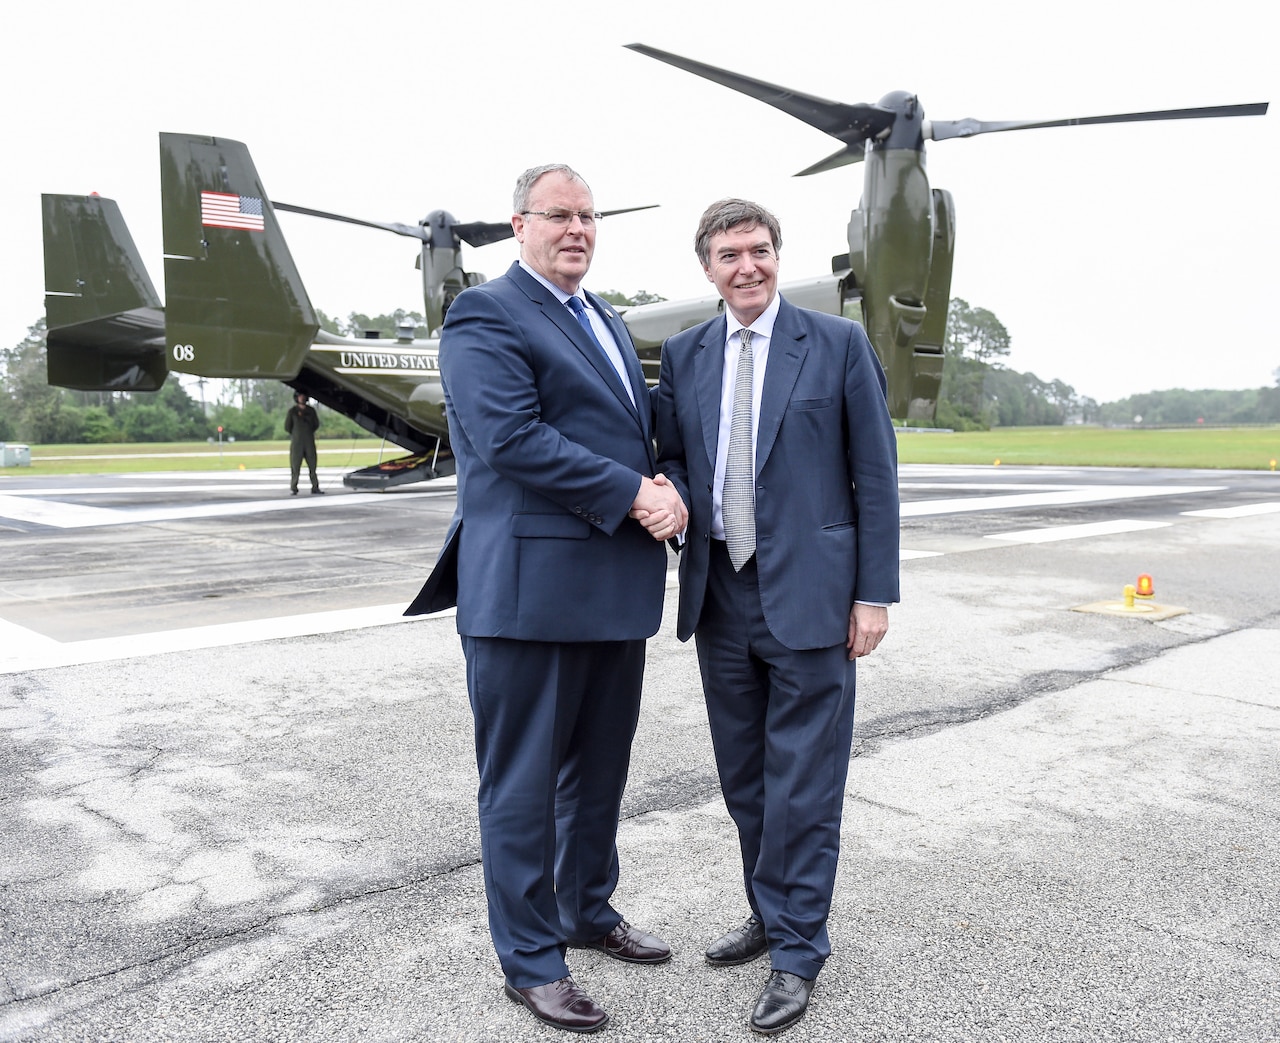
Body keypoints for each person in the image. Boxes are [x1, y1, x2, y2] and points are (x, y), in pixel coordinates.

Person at [405, 164, 687, 1034]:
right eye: (559, 216)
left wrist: (669, 476)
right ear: (518, 225)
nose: (578, 229)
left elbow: (639, 425)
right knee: (523, 787)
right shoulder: (486, 313)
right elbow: (509, 437)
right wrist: (636, 492)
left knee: (597, 774)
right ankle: (530, 961)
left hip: (612, 585)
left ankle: (585, 910)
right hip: (527, 591)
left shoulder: (598, 313)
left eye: (588, 216)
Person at [651, 199, 900, 1035]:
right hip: (720, 593)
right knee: (747, 779)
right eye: (729, 254)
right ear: (708, 268)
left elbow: (877, 474)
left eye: (759, 250)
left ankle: (798, 949)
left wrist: (875, 593)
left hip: (816, 599)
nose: (747, 266)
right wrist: (673, 499)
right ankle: (769, 909)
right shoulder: (685, 355)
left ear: (776, 256)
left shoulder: (836, 343)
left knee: (807, 783)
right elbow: (676, 460)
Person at [285, 392, 323, 495]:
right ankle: (294, 487)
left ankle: (315, 487)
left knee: (312, 465)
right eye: (300, 396)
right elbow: (287, 427)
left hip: (309, 441)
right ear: (297, 398)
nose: (302, 398)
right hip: (297, 443)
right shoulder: (292, 411)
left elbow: (316, 424)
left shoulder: (311, 411)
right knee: (295, 466)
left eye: (303, 396)